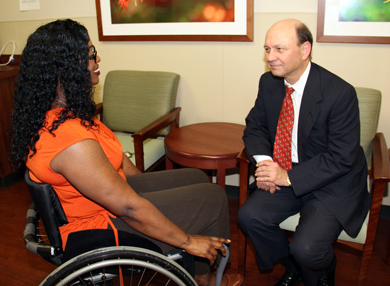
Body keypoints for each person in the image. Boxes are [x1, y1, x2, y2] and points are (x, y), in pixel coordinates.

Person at [9, 19, 243, 286]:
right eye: (90, 55)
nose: (98, 59)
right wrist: (188, 241)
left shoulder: (65, 115)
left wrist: (152, 196)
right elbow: (129, 207)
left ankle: (201, 273)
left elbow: (119, 161)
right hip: (98, 226)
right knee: (212, 196)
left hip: (108, 201)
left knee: (198, 178)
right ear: (67, 69)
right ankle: (205, 278)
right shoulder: (69, 142)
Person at [238, 19, 370, 286]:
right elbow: (255, 126)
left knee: (307, 247)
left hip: (331, 181)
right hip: (286, 171)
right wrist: (265, 165)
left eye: (279, 49)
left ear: (305, 49)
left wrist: (287, 177)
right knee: (249, 217)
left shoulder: (339, 93)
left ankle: (322, 268)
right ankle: (294, 267)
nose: (270, 58)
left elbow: (341, 157)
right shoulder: (269, 83)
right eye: (266, 49)